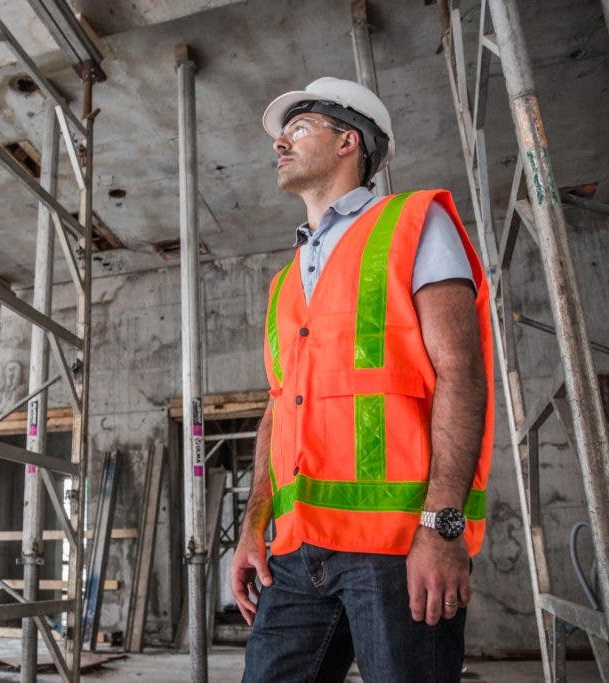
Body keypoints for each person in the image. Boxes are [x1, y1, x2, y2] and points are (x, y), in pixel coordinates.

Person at [232, 77, 494, 682]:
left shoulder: (412, 223)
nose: (281, 144)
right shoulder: (284, 281)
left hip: (399, 546)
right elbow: (280, 407)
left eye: (298, 128)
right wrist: (254, 529)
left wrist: (442, 526)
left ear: (349, 141)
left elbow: (461, 373)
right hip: (296, 554)